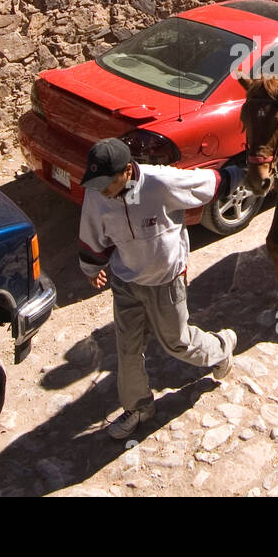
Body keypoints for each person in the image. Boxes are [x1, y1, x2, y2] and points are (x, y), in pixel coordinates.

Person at [78, 138, 243, 439]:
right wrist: (92, 269)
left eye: (107, 182)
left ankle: (220, 349)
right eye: (97, 183)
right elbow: (92, 233)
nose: (102, 190)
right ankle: (138, 406)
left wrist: (248, 171)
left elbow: (211, 182)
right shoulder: (96, 194)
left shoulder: (162, 182)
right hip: (125, 282)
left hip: (166, 281)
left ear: (128, 170)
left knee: (176, 342)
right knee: (127, 348)